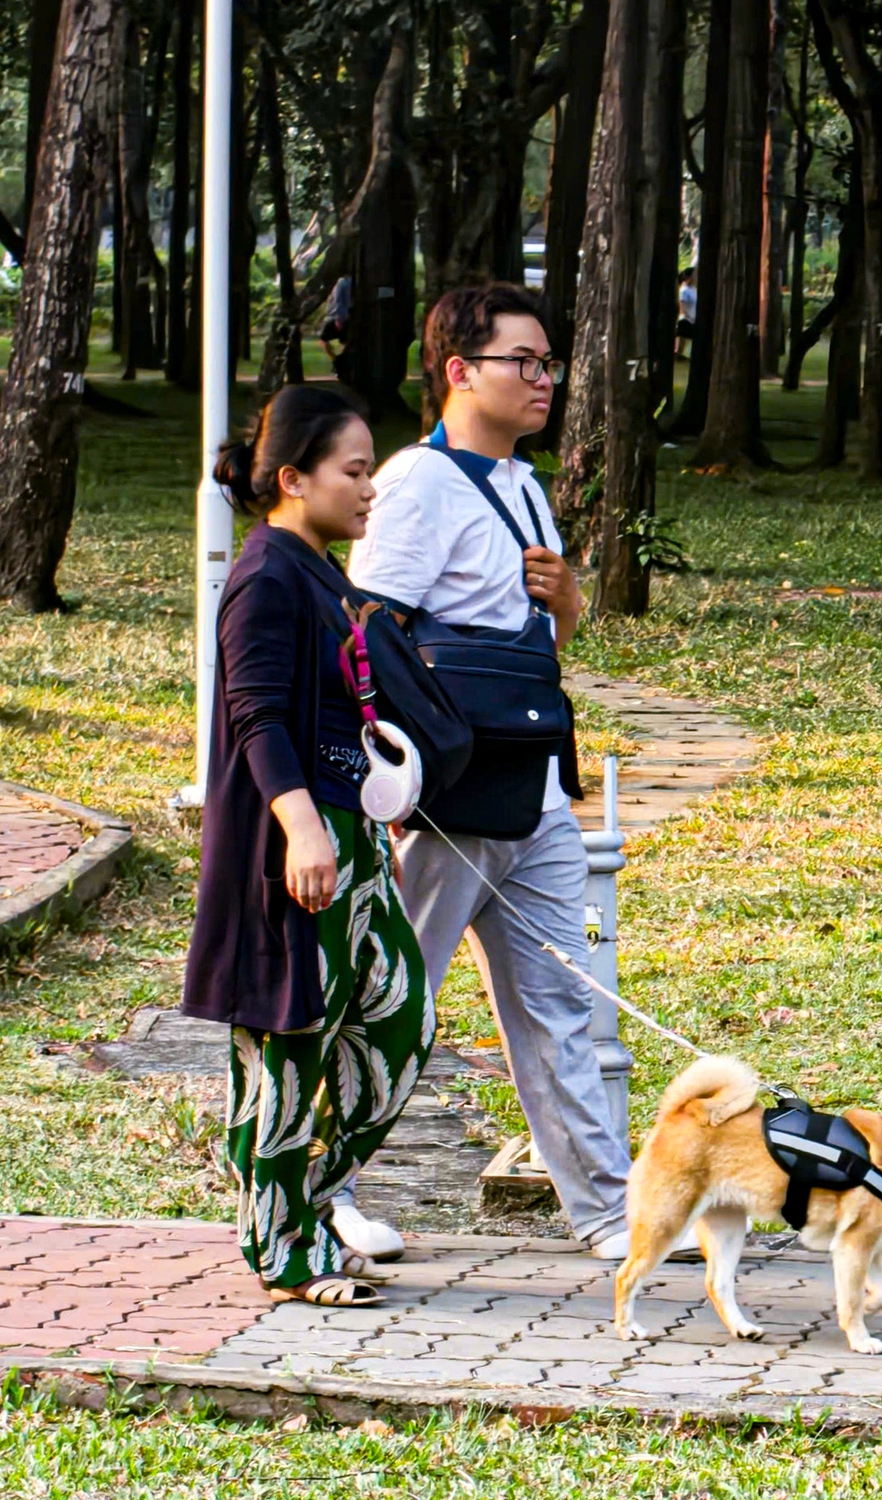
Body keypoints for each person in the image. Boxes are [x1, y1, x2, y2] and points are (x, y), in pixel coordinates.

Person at [347, 282, 634, 1261]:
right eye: (525, 361)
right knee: (396, 998)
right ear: (460, 370)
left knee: (557, 1002)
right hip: (450, 799)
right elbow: (370, 633)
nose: (544, 379)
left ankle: (606, 1210)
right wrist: (405, 768)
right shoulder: (415, 485)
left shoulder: (521, 483)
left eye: (549, 362)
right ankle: (320, 1192)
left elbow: (534, 642)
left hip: (535, 790)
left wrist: (566, 601)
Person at [181, 384, 433, 1307]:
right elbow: (254, 713)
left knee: (402, 1027)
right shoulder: (267, 575)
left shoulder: (322, 570)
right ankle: (281, 1252)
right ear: (294, 477)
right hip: (292, 847)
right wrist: (301, 828)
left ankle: (305, 1198)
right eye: (354, 470)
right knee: (289, 1047)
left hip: (352, 835)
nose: (371, 489)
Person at [676, 266, 698, 356]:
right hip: (687, 320)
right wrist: (689, 318)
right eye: (694, 275)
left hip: (693, 319)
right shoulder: (684, 290)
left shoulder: (694, 289)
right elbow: (682, 307)